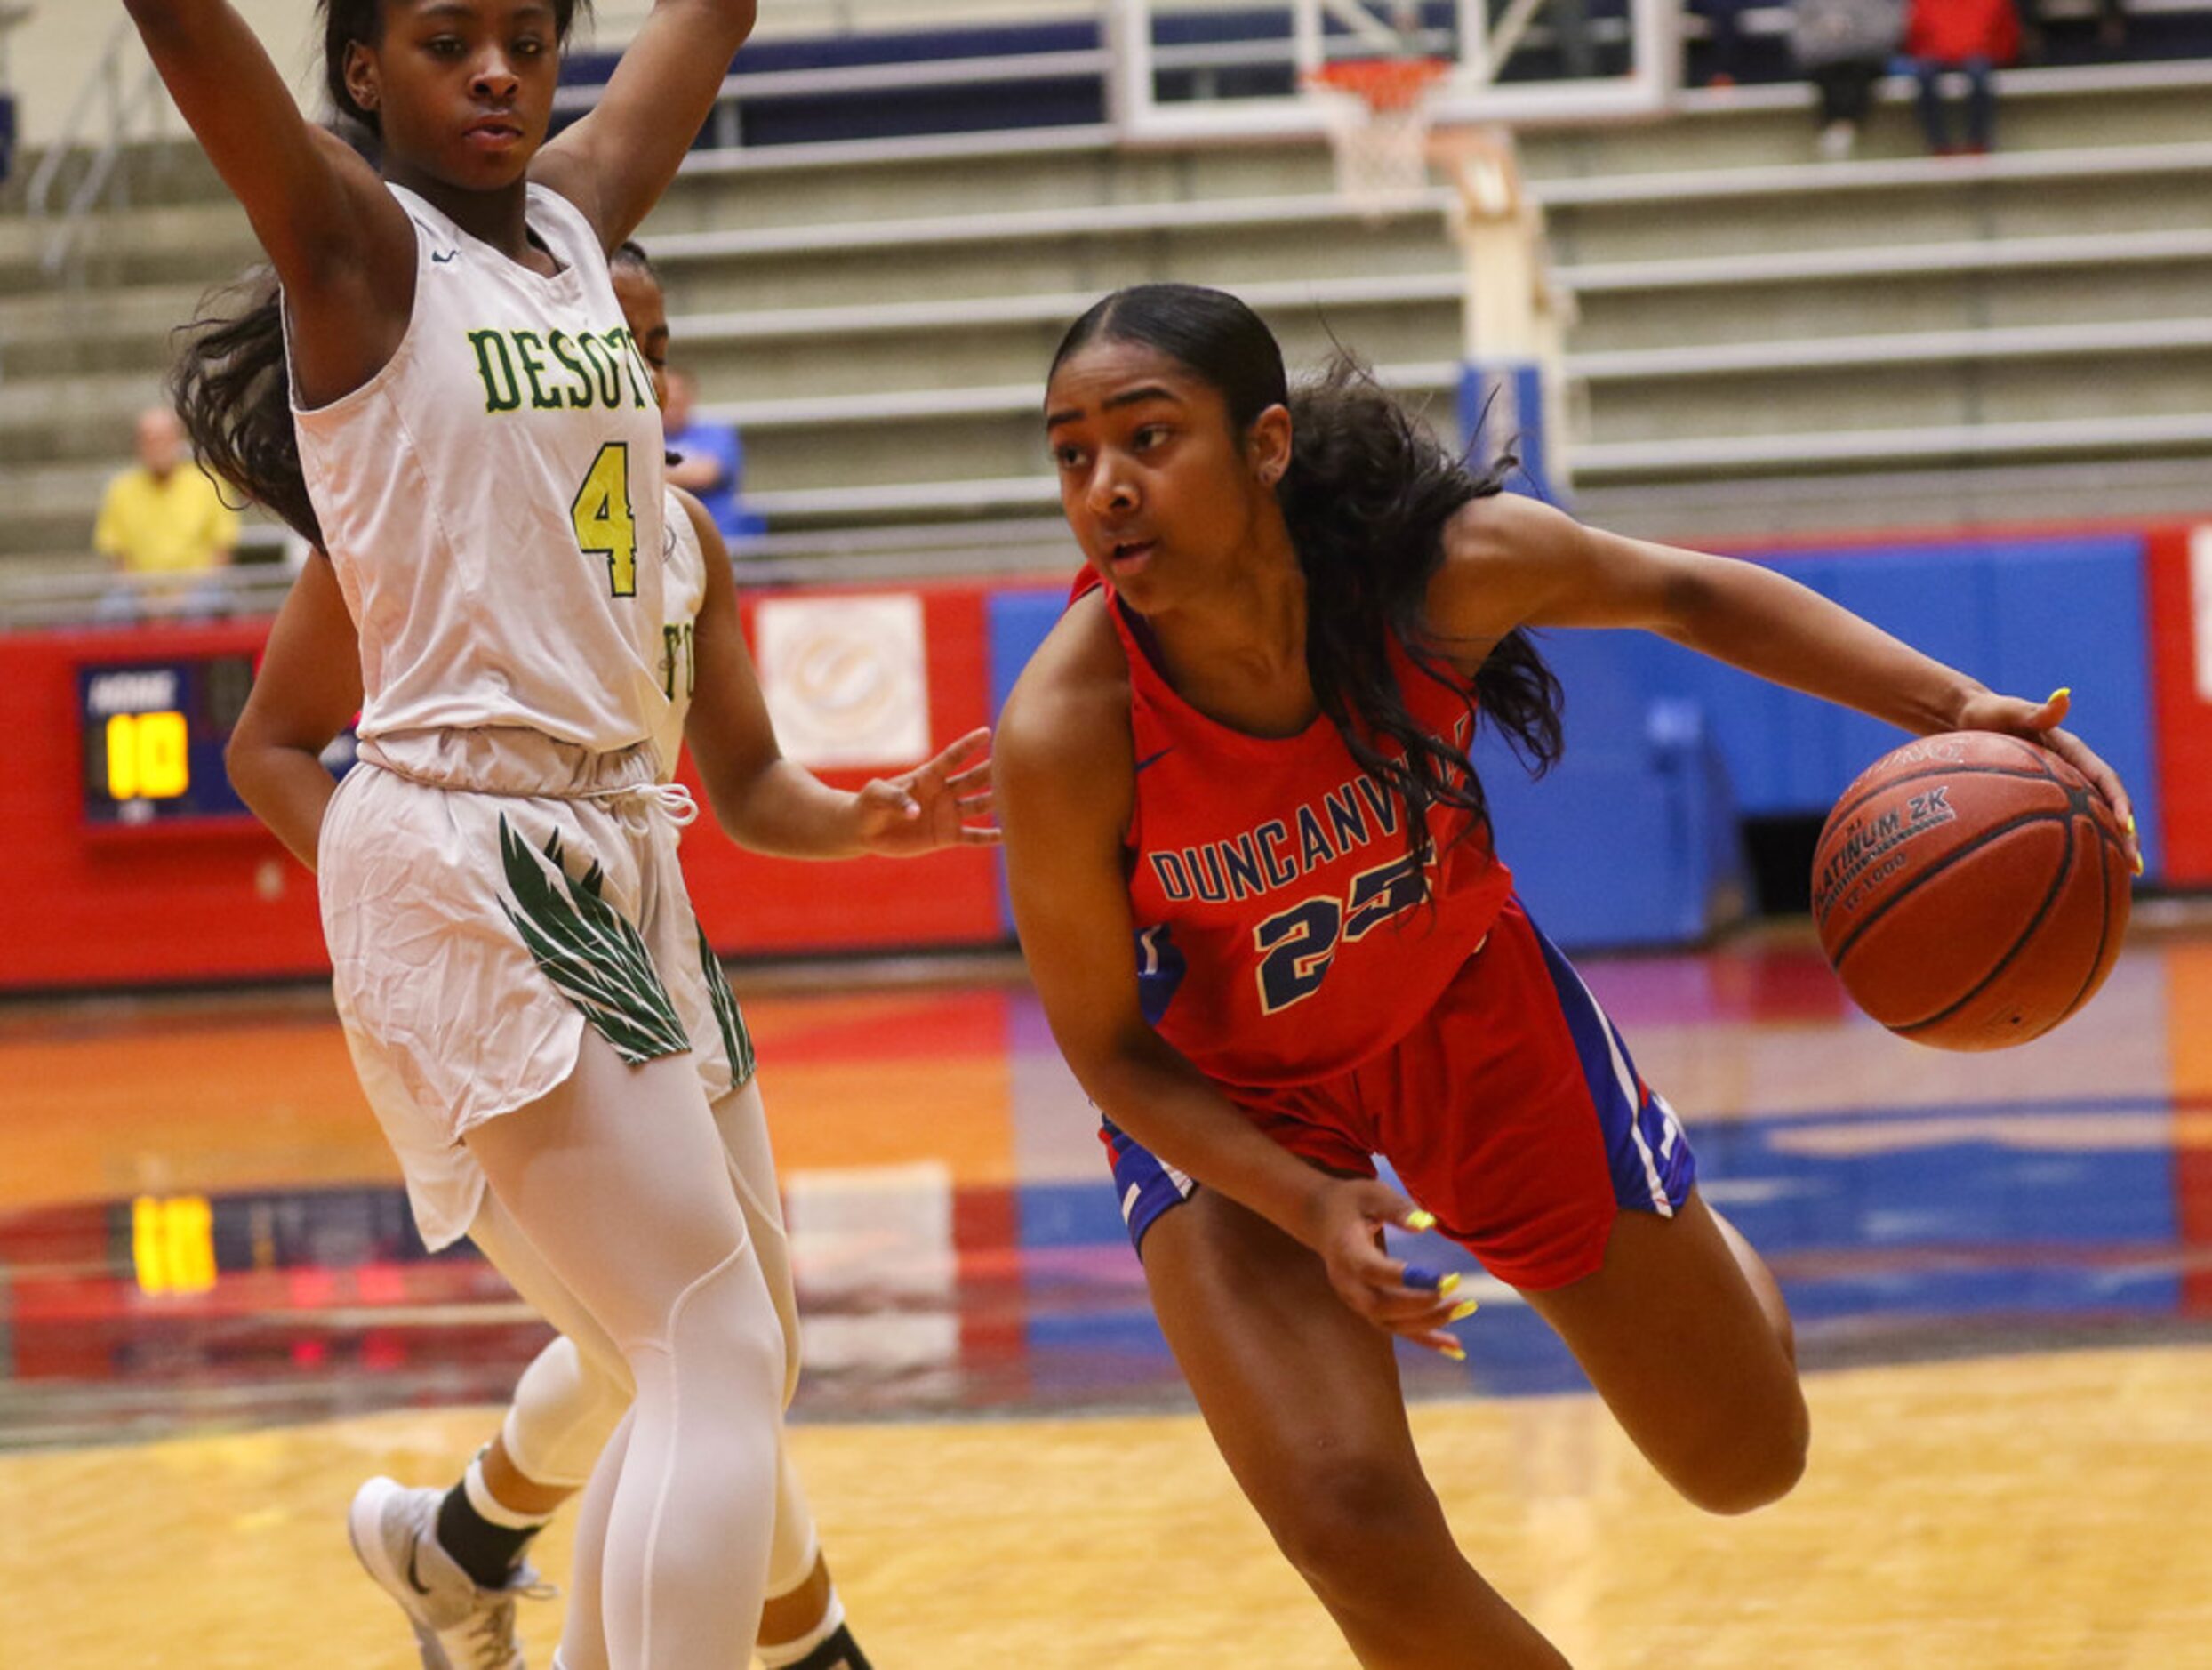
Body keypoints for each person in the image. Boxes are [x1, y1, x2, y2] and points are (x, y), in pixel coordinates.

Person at [996, 283, 2139, 1667]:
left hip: (1469, 1015)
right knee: (1354, 1527)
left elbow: (1685, 591)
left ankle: (1703, 1245)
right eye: (1073, 455)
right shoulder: (1069, 723)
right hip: (1237, 1108)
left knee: (1746, 1460)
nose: (1106, 486)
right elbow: (1111, 1049)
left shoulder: (1439, 575)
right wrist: (1308, 1202)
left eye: (1147, 438)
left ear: (1268, 444)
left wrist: (1958, 706)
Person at [124, 0, 927, 1662]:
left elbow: (703, 32)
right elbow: (192, 39)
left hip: (615, 843)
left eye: (526, 38)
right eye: (444, 40)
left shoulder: (572, 226)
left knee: (711, 1344)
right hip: (472, 829)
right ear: (358, 72)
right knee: (704, 1340)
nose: (497, 69)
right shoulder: (356, 246)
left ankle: (477, 1562)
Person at [93, 405, 240, 618]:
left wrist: (180, 599)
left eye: (164, 439)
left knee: (208, 604)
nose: (157, 448)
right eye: (150, 440)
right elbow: (119, 560)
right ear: (139, 446)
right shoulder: (120, 490)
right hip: (140, 593)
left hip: (199, 589)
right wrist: (148, 600)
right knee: (112, 610)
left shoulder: (209, 484)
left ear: (178, 440)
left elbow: (221, 555)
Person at [1790, 0, 1904, 160]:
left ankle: (1841, 127)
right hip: (1824, 62)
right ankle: (1842, 127)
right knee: (1834, 75)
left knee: (1855, 73)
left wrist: (1849, 35)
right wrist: (1828, 39)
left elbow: (1889, 35)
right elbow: (1800, 43)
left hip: (1866, 60)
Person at [664, 365, 764, 542]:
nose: (670, 408)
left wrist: (648, 475)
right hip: (664, 540)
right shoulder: (642, 438)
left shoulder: (717, 434)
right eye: (665, 402)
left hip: (719, 537)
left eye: (676, 402)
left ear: (690, 399)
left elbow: (704, 475)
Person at [1904, 0, 2018, 153]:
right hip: (1937, 56)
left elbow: (2005, 34)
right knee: (1925, 74)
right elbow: (1916, 33)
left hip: (1977, 56)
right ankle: (1939, 144)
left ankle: (1978, 142)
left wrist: (1997, 56)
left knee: (1979, 73)